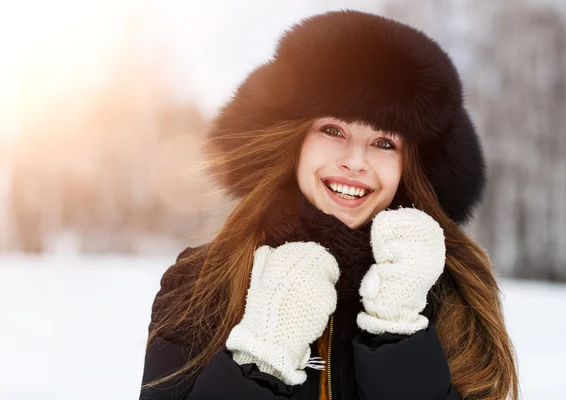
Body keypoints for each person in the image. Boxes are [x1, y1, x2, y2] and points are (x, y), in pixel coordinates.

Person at [139, 9, 519, 400]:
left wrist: (397, 332)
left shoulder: (453, 292)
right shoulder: (200, 281)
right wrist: (263, 359)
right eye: (333, 130)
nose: (355, 162)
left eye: (384, 142)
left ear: (411, 164)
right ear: (296, 139)